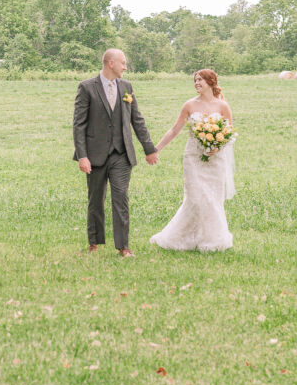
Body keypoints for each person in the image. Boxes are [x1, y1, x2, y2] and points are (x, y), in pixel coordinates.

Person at [72, 48, 158, 257]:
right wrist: (82, 155)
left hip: (121, 154)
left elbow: (137, 120)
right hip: (95, 155)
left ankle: (123, 247)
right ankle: (94, 242)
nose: (126, 67)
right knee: (96, 200)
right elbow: (79, 125)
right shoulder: (87, 87)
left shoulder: (127, 86)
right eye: (123, 63)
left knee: (121, 197)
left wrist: (149, 149)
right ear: (111, 63)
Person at [149, 69, 235, 252]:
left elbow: (229, 133)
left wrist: (217, 146)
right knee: (195, 199)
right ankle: (180, 238)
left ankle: (213, 240)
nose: (196, 83)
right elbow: (174, 130)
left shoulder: (223, 106)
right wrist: (155, 149)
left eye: (200, 80)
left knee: (213, 199)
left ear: (210, 82)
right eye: (195, 80)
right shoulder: (189, 105)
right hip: (193, 158)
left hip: (215, 161)